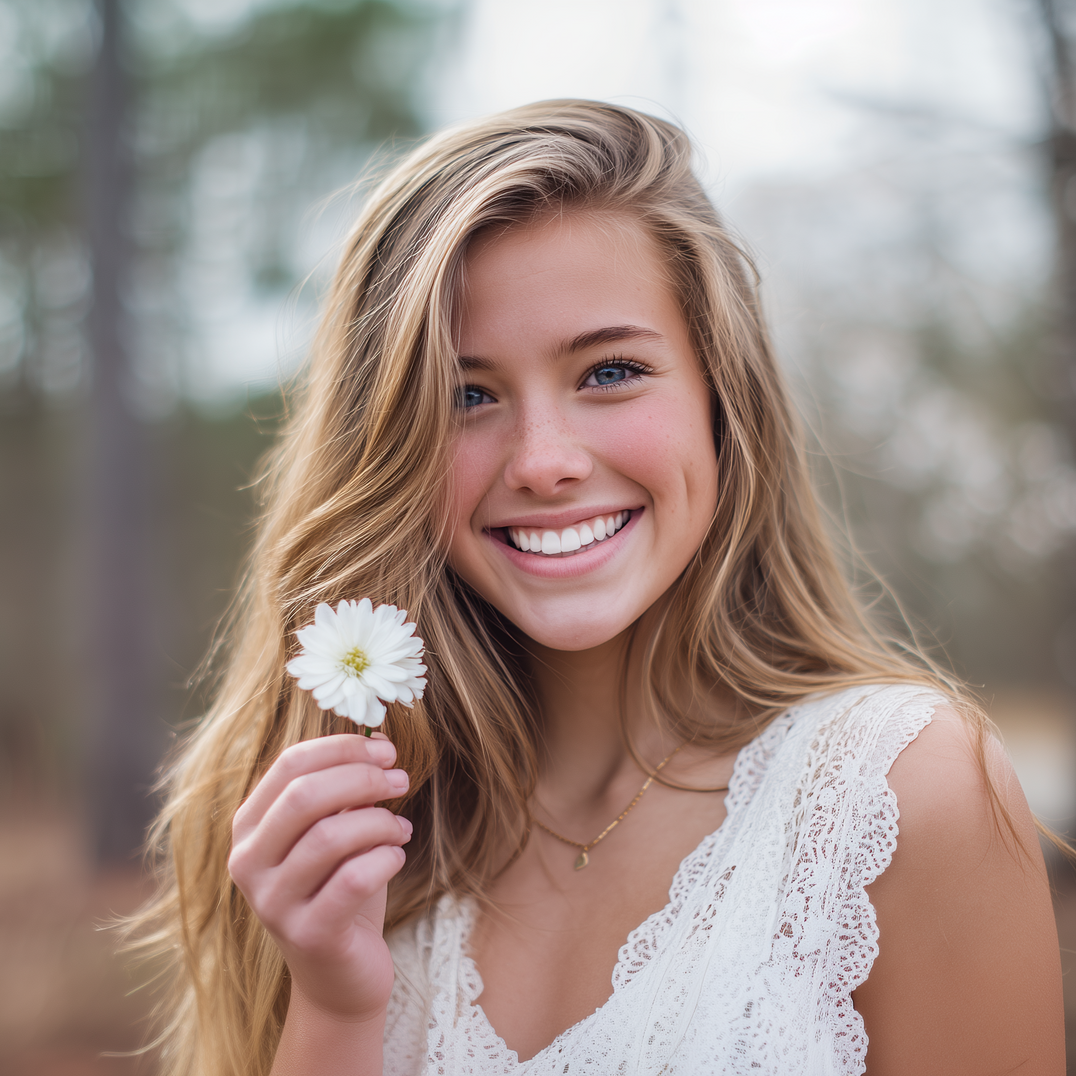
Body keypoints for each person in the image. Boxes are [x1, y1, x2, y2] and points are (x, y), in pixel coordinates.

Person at [130, 101, 1065, 1076]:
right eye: (467, 395)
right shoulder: (352, 837)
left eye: (609, 370)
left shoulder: (898, 791)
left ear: (719, 397)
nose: (542, 462)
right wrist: (333, 1001)